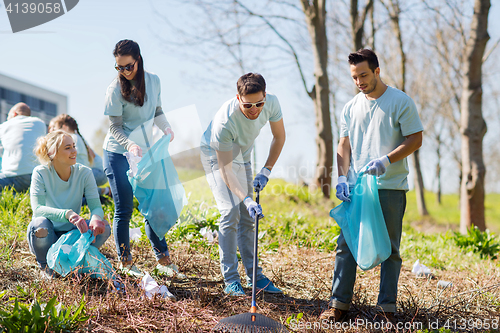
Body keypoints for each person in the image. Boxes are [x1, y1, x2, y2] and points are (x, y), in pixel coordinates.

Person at [320, 49, 423, 322]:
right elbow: (344, 144)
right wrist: (341, 177)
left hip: (390, 186)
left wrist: (387, 160)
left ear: (377, 71)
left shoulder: (400, 101)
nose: (359, 82)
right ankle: (338, 305)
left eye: (364, 75)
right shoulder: (351, 107)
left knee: (390, 249)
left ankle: (386, 309)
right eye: (355, 77)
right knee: (346, 244)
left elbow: (415, 139)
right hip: (357, 188)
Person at [200, 73, 286, 296]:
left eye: (259, 103)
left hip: (243, 156)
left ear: (265, 96)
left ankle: (254, 276)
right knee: (230, 212)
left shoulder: (272, 103)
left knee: (248, 218)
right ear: (238, 98)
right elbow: (226, 171)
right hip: (216, 156)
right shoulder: (224, 123)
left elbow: (279, 137)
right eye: (248, 105)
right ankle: (230, 280)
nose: (255, 109)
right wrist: (246, 199)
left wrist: (266, 170)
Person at [102, 39, 182, 279]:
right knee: (124, 208)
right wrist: (130, 144)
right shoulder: (114, 90)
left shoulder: (154, 81)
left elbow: (157, 112)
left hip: (145, 153)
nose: (124, 72)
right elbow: (115, 127)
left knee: (154, 205)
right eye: (119, 67)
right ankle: (125, 262)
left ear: (138, 60)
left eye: (128, 66)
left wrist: (166, 128)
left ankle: (163, 259)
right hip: (118, 152)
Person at [27, 130, 111, 279]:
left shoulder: (84, 173)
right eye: (68, 148)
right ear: (53, 153)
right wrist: (67, 214)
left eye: (74, 146)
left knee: (104, 228)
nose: (74, 151)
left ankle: (74, 261)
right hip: (48, 234)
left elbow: (96, 206)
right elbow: (38, 209)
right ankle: (46, 266)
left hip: (72, 233)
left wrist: (96, 218)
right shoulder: (40, 173)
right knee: (39, 224)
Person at [49, 114, 110, 195]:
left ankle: (103, 191)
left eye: (56, 129)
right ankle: (102, 192)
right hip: (92, 173)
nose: (55, 132)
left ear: (64, 127)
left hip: (97, 173)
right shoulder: (75, 138)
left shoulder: (72, 139)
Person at [0, 102, 46, 192]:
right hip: (36, 179)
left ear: (14, 114)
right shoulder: (40, 123)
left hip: (11, 176)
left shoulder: (4, 125)